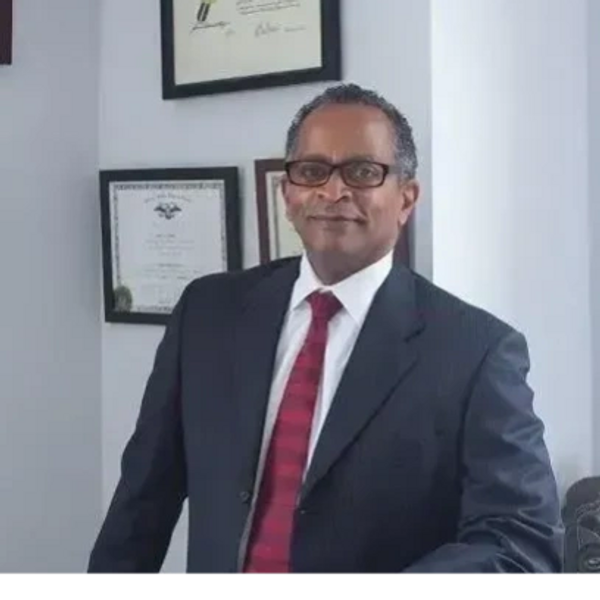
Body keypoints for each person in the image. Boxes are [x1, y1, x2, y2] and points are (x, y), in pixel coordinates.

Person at [88, 83, 564, 576]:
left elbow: (520, 540)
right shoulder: (208, 314)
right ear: (287, 193)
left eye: (363, 172)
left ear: (406, 198)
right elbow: (142, 501)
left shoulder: (475, 351)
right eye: (313, 171)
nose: (333, 192)